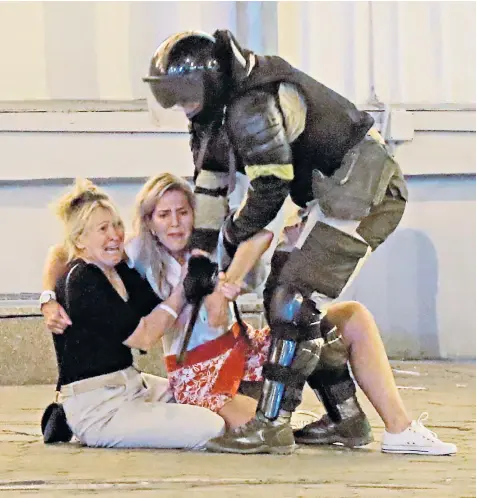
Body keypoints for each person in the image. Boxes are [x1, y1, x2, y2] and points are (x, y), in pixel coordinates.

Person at [142, 30, 455, 455]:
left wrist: (233, 235)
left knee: (295, 299)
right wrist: (201, 258)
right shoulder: (215, 115)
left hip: (363, 190)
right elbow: (210, 188)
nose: (182, 104)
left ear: (211, 82)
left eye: (185, 92)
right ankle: (345, 418)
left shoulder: (252, 104)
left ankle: (271, 424)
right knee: (283, 302)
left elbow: (271, 186)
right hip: (330, 194)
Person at [41, 174, 273, 430]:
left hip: (237, 349)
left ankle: (323, 418)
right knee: (258, 427)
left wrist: (224, 284)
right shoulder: (137, 251)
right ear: (150, 222)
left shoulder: (207, 242)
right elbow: (61, 251)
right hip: (194, 368)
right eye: (163, 215)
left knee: (299, 338)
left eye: (182, 212)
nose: (175, 223)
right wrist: (48, 298)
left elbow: (261, 236)